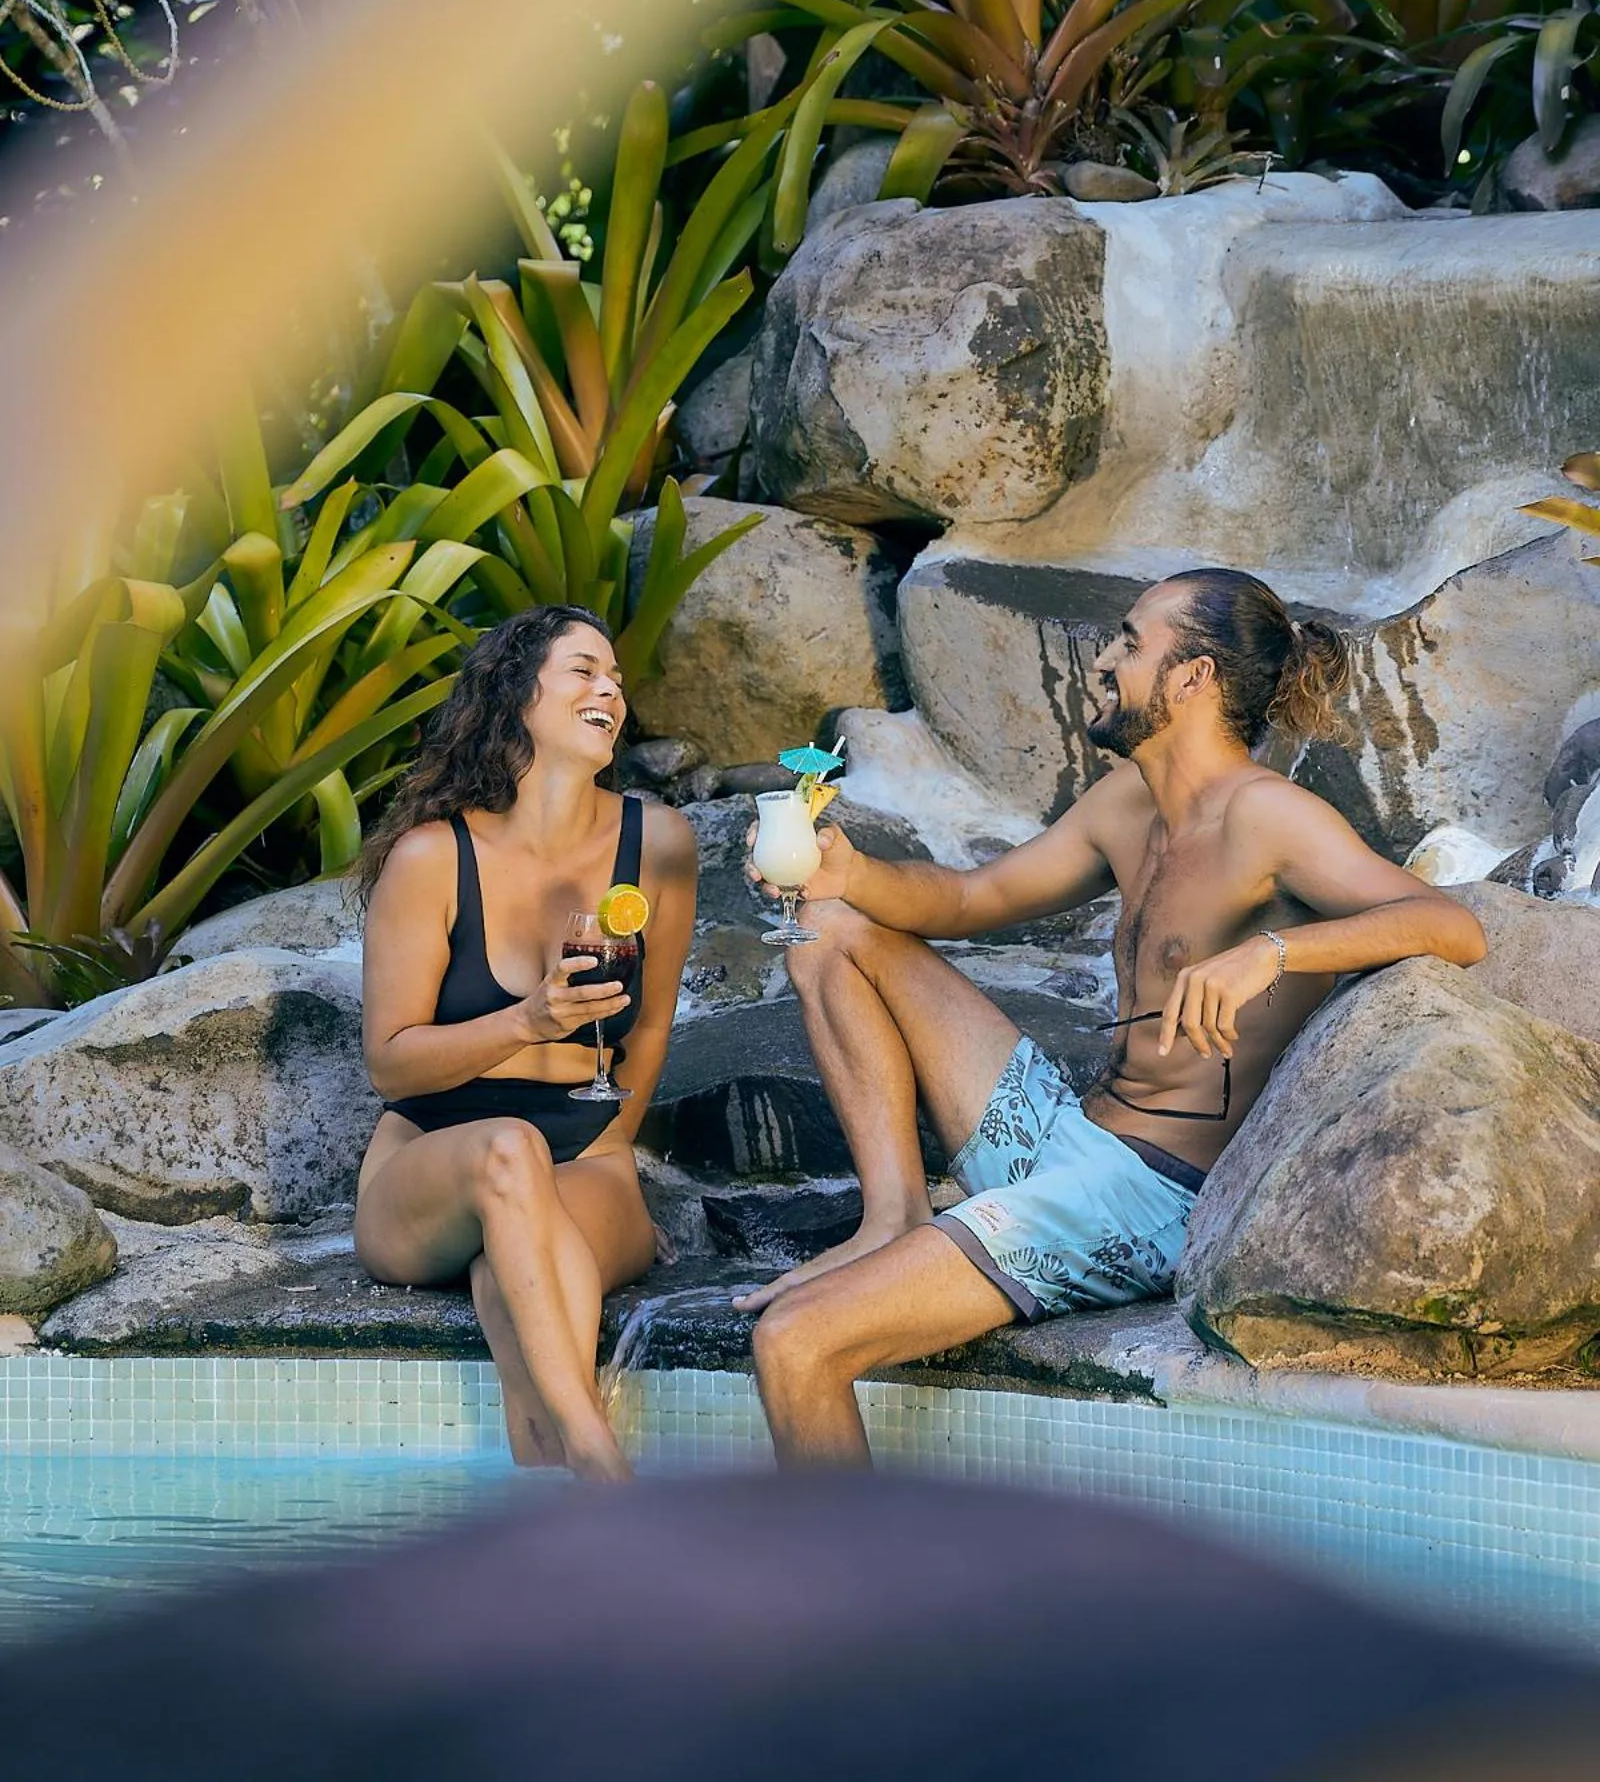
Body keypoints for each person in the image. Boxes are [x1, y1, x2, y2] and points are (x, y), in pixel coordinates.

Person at [740, 569, 1488, 1467]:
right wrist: (848, 873)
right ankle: (893, 1215)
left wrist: (1271, 953)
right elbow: (974, 896)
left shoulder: (1272, 820)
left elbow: (1455, 927)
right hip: (1065, 1135)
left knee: (795, 1340)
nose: (1103, 660)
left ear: (1193, 678)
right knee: (826, 931)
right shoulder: (1128, 805)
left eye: (1132, 643)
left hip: (1148, 1196)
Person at [355, 605, 696, 1480]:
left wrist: (617, 1137)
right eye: (584, 670)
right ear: (517, 695)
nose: (609, 690)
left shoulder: (655, 843)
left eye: (616, 678)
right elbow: (390, 1059)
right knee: (509, 1154)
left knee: (513, 1273)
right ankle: (602, 1466)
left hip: (589, 1154)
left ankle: (554, 1503)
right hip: (432, 1161)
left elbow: (652, 1022)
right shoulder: (433, 857)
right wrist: (526, 1023)